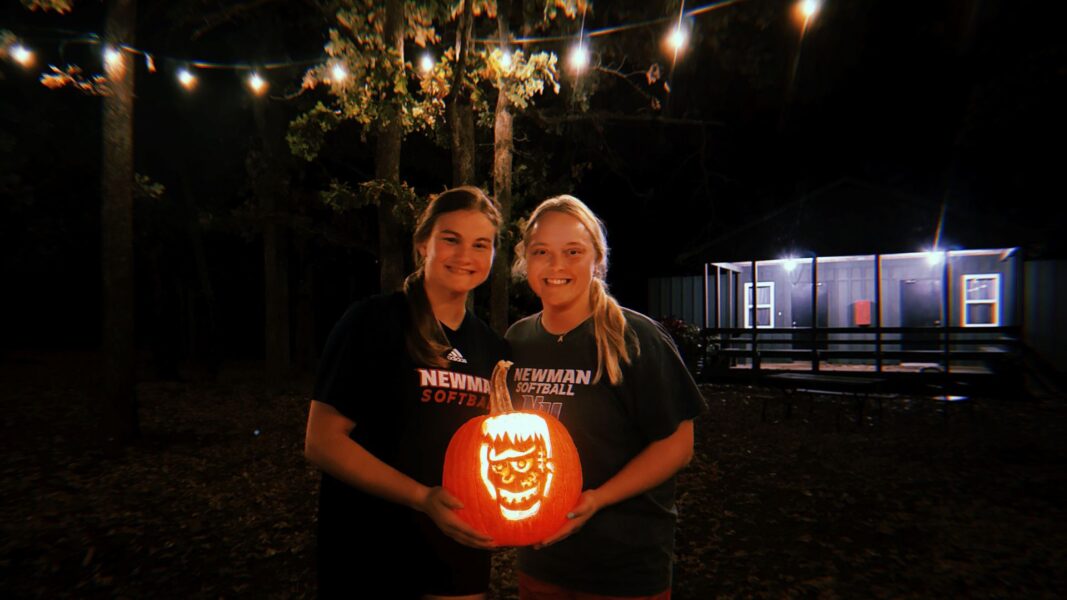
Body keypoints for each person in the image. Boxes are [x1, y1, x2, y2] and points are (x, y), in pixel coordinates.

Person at [304, 186, 508, 600]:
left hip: (457, 553)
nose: (465, 254)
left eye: (480, 244)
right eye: (450, 239)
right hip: (369, 551)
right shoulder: (373, 322)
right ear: (422, 245)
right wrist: (422, 497)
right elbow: (322, 442)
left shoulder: (493, 349)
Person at [506, 195, 706, 599]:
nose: (557, 265)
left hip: (624, 565)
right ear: (526, 261)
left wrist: (596, 500)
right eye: (542, 252)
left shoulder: (635, 337)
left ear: (597, 260)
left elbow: (678, 445)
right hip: (541, 562)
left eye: (573, 252)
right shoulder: (517, 341)